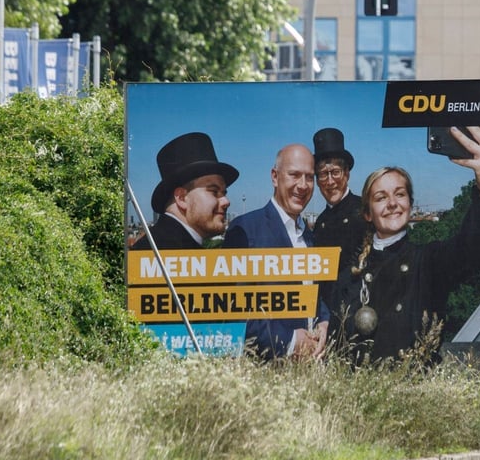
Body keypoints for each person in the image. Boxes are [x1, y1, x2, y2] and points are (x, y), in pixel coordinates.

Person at [330, 126, 480, 363]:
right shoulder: (349, 275)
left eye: (400, 194)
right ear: (367, 213)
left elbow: (471, 249)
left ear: (410, 204)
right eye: (381, 198)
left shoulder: (428, 262)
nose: (392, 203)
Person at [224, 144, 329, 360]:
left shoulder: (309, 236)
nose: (303, 185)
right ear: (275, 177)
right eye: (294, 175)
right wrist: (290, 341)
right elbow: (232, 310)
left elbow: (314, 294)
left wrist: (324, 321)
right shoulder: (245, 229)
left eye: (309, 177)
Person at [132, 132, 239, 250]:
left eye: (224, 193)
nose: (226, 201)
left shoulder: (157, 246)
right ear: (182, 198)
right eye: (214, 192)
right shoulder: (169, 251)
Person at [311, 128, 366, 322]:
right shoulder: (320, 222)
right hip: (328, 317)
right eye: (323, 174)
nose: (330, 181)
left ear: (347, 173)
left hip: (359, 314)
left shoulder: (365, 211)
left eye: (335, 172)